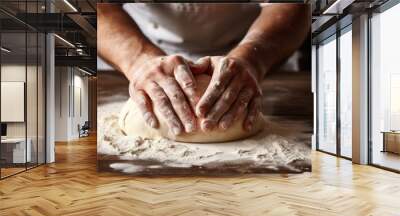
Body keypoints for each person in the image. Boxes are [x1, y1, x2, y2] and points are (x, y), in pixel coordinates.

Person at [98, 3, 310, 136]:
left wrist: (252, 59)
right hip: (137, 42)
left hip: (254, 42)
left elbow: (290, 5)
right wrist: (139, 61)